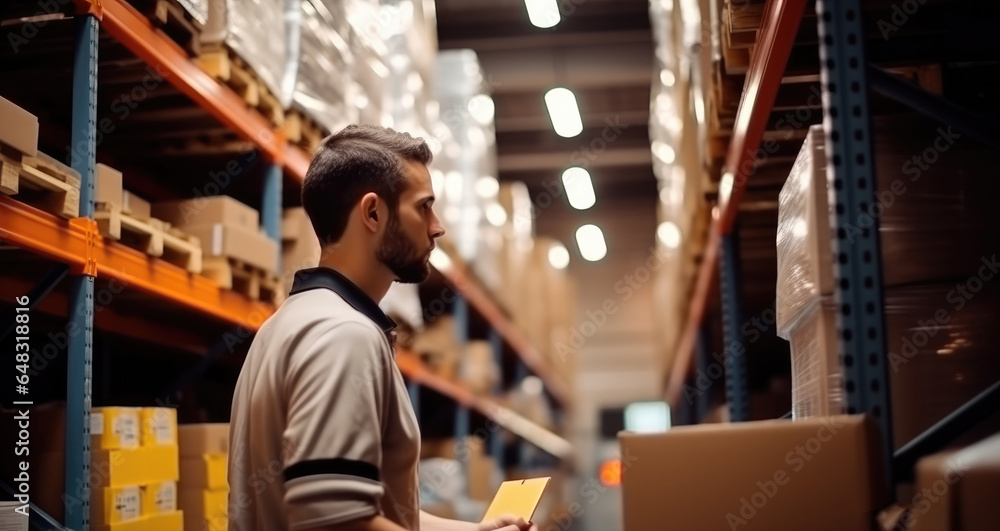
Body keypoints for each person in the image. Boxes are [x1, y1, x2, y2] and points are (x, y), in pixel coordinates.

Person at [228, 125, 536, 531]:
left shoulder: (288, 323)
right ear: (373, 213)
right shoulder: (344, 335)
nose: (437, 226)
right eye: (423, 207)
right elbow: (334, 521)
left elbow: (376, 511)